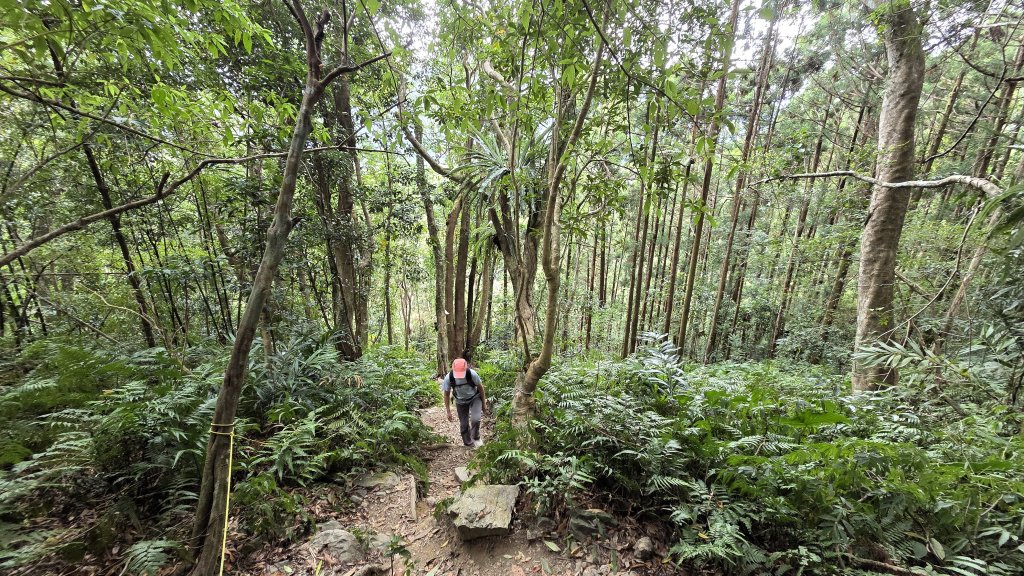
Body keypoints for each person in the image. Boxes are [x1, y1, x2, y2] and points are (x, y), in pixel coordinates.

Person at [442, 358, 488, 447]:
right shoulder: (449, 377)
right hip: (460, 401)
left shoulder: (472, 374)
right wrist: (448, 411)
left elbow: (481, 388)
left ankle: (476, 438)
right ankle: (468, 443)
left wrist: (484, 404)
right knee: (464, 424)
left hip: (475, 398)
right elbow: (446, 395)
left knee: (476, 419)